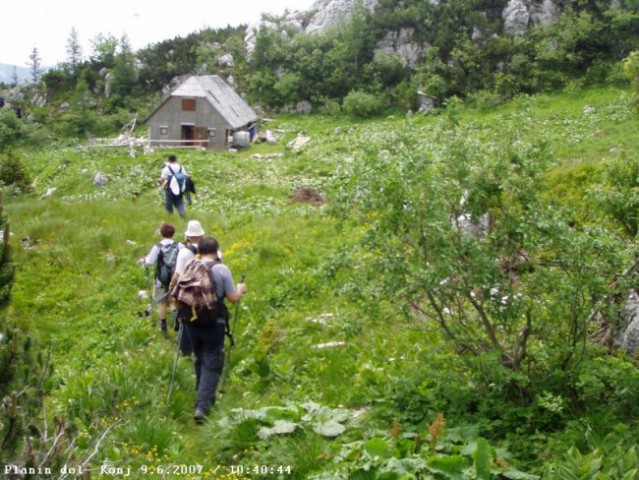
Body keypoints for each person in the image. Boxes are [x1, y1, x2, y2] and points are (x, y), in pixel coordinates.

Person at [179, 236, 247, 424]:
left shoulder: (190, 266)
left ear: (199, 251)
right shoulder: (221, 269)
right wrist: (241, 289)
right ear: (217, 251)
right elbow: (233, 298)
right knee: (212, 359)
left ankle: (203, 395)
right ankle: (203, 406)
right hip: (213, 322)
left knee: (199, 357)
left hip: (191, 320)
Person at [139, 222, 183, 332]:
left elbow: (149, 262)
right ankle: (176, 319)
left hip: (161, 279)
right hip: (175, 278)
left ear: (161, 234)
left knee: (162, 302)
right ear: (173, 233)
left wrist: (143, 261)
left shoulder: (157, 247)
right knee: (173, 301)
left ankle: (163, 326)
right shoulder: (179, 246)